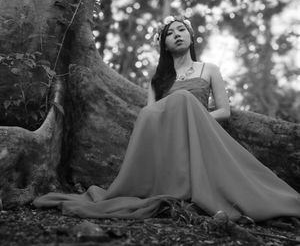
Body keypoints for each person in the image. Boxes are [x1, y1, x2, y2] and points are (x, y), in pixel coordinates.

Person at [33, 16, 300, 221]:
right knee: (168, 104)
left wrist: (193, 116)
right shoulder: (157, 79)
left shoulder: (209, 69)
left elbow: (224, 111)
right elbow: (150, 116)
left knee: (184, 99)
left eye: (181, 30)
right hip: (167, 144)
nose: (176, 35)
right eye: (169, 34)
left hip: (199, 135)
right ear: (165, 45)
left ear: (191, 37)